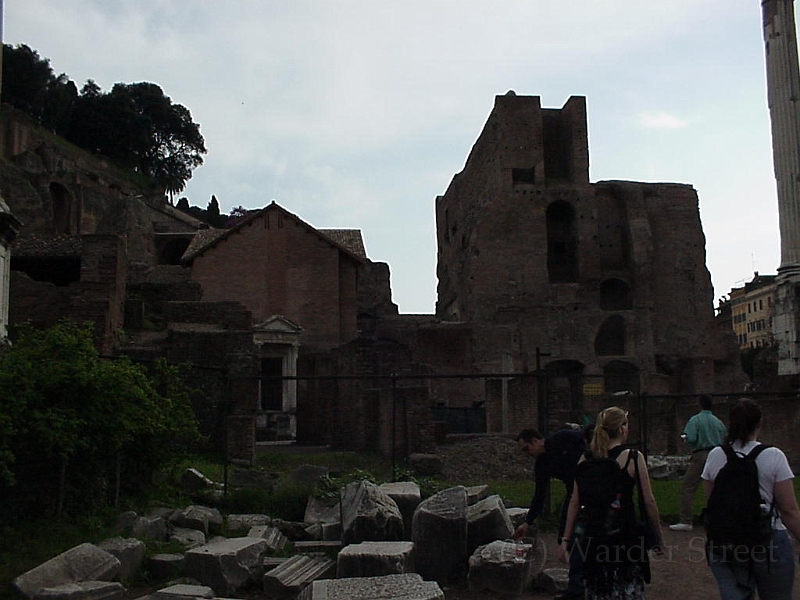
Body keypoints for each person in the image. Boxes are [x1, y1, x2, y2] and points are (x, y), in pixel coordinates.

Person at [558, 407, 664, 600]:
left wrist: (566, 540)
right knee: (626, 588)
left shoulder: (585, 459)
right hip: (625, 535)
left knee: (597, 589)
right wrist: (657, 536)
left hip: (593, 536)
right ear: (622, 429)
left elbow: (574, 501)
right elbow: (648, 500)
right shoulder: (632, 457)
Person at [702, 398, 800, 600]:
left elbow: (711, 503)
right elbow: (789, 511)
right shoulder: (774, 456)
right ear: (759, 423)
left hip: (727, 542)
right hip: (768, 538)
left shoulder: (715, 455)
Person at [515, 426, 586, 600]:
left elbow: (587, 441)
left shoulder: (562, 438)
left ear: (535, 440)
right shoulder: (542, 464)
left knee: (583, 537)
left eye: (527, 448)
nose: (528, 453)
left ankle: (580, 588)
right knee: (564, 539)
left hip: (590, 488)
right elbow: (539, 495)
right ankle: (579, 585)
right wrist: (527, 522)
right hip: (573, 494)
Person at [670, 394, 726, 532]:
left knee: (688, 488)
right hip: (718, 454)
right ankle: (720, 518)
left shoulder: (695, 420)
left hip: (701, 454)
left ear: (699, 404)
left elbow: (691, 438)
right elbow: (724, 436)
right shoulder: (718, 421)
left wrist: (685, 438)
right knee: (718, 488)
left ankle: (686, 520)